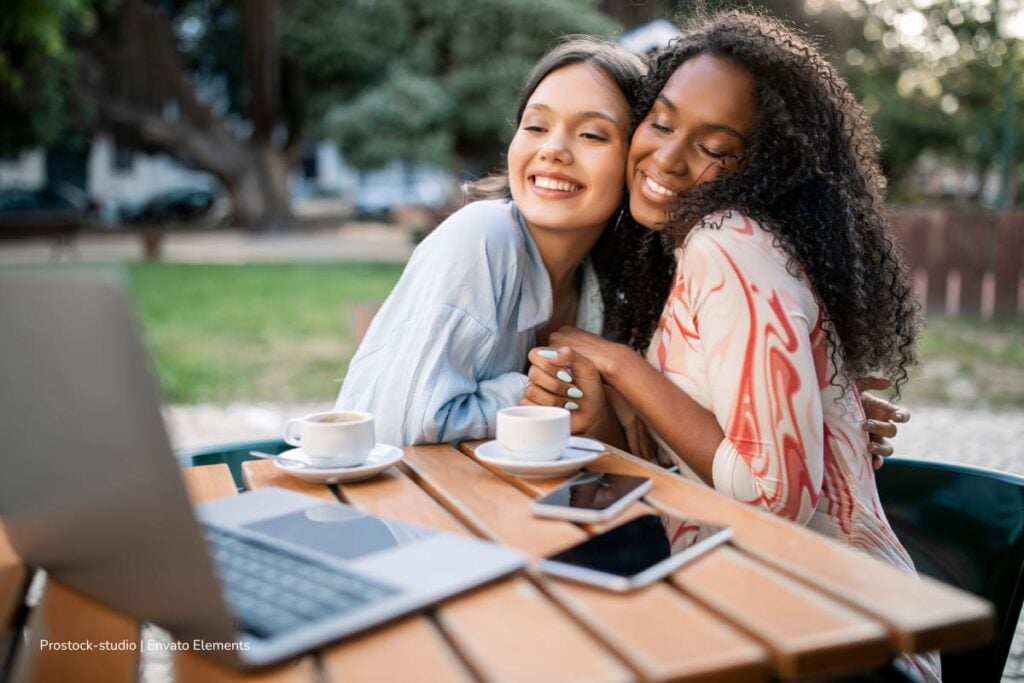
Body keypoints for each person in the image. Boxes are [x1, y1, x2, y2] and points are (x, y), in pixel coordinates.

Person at [522, 12, 936, 680]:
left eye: (715, 146)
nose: (669, 157)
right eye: (661, 121)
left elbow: (774, 497)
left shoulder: (727, 242)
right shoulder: (690, 250)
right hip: (756, 614)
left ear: (764, 167)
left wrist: (623, 367)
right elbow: (697, 464)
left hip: (840, 643)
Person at [336, 38, 641, 446]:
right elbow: (406, 422)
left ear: (638, 162)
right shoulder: (482, 237)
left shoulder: (603, 287)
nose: (553, 150)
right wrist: (534, 395)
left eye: (591, 134)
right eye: (535, 126)